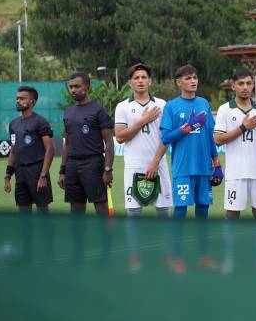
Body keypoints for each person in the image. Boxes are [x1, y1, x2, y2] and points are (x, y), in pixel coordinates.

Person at [160, 65, 223, 219]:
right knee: (180, 211)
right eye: (188, 78)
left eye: (194, 77)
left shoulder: (204, 104)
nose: (193, 81)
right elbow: (165, 138)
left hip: (203, 168)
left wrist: (217, 164)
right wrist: (188, 127)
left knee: (203, 209)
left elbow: (209, 136)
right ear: (178, 82)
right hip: (183, 169)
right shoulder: (171, 106)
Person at [114, 63, 173, 217]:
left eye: (143, 77)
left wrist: (155, 161)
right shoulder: (122, 107)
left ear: (150, 81)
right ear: (130, 82)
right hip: (134, 165)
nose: (140, 81)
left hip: (158, 164)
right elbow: (119, 137)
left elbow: (166, 138)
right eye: (136, 78)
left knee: (163, 212)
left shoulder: (162, 105)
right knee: (134, 213)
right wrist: (143, 120)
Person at [215, 69, 256, 219]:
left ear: (253, 85)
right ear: (233, 86)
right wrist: (243, 127)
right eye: (241, 83)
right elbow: (218, 139)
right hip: (236, 172)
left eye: (248, 83)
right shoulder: (225, 110)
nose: (245, 87)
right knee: (233, 212)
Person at [58, 72, 115, 214]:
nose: (73, 90)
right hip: (72, 165)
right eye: (71, 87)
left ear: (87, 87)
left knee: (101, 207)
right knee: (76, 209)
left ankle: (107, 236)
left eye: (77, 86)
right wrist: (62, 171)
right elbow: (67, 143)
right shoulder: (68, 111)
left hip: (93, 163)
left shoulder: (98, 110)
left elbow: (109, 142)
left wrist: (108, 169)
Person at [4, 86, 54, 213]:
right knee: (23, 211)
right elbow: (13, 150)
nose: (18, 101)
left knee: (43, 211)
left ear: (32, 101)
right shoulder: (13, 124)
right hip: (20, 172)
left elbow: (50, 149)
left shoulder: (40, 121)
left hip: (37, 171)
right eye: (17, 98)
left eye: (22, 98)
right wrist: (7, 176)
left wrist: (43, 175)